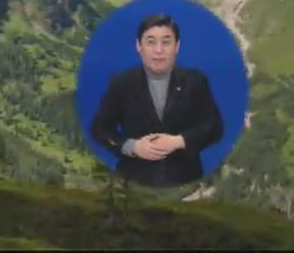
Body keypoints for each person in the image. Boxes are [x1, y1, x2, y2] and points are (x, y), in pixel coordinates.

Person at [90, 13, 224, 187]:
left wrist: (177, 141)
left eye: (166, 42)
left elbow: (214, 127)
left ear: (177, 46)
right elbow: (100, 129)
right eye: (151, 42)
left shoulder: (196, 81)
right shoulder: (121, 82)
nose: (158, 50)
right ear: (139, 46)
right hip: (133, 184)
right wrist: (133, 147)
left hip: (185, 182)